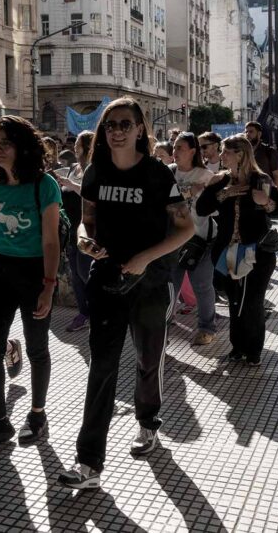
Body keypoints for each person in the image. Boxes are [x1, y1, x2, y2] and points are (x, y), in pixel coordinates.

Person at [59, 98, 193, 490]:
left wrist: (145, 259)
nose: (117, 130)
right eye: (110, 124)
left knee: (148, 360)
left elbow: (184, 229)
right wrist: (85, 242)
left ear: (140, 129)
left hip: (151, 283)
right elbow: (86, 223)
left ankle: (148, 421)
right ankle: (89, 465)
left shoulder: (156, 175)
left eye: (125, 124)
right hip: (106, 280)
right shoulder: (94, 173)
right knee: (101, 367)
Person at [0, 116, 62, 455]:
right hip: (1, 270)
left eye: (5, 143)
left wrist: (49, 286)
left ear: (23, 147)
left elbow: (51, 243)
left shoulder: (43, 185)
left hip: (35, 273)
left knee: (37, 348)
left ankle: (37, 415)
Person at [196, 134, 278, 366]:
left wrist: (266, 202)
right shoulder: (219, 180)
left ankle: (254, 350)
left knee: (252, 301)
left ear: (240, 154)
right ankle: (237, 347)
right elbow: (202, 208)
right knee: (234, 301)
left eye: (225, 151)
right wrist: (224, 194)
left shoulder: (260, 179)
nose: (220, 155)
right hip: (228, 251)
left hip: (258, 252)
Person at [169, 132, 217, 345]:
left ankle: (206, 328)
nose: (175, 151)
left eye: (180, 147)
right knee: (170, 286)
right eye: (174, 147)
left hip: (201, 241)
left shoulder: (206, 176)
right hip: (172, 241)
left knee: (202, 286)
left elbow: (215, 209)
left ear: (192, 151)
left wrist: (184, 193)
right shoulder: (168, 173)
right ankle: (164, 322)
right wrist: (189, 191)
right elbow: (165, 202)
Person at [54, 131, 95, 332]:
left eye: (78, 144)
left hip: (88, 231)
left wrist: (70, 184)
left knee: (86, 272)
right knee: (76, 277)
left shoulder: (95, 170)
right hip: (70, 230)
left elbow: (92, 195)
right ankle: (83, 313)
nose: (74, 147)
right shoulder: (73, 168)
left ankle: (98, 311)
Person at [244, 121, 278, 194]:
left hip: (266, 193)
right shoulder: (243, 152)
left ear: (259, 134)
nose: (247, 134)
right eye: (246, 132)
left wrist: (275, 197)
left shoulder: (270, 151)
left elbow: (277, 176)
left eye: (251, 132)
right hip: (248, 195)